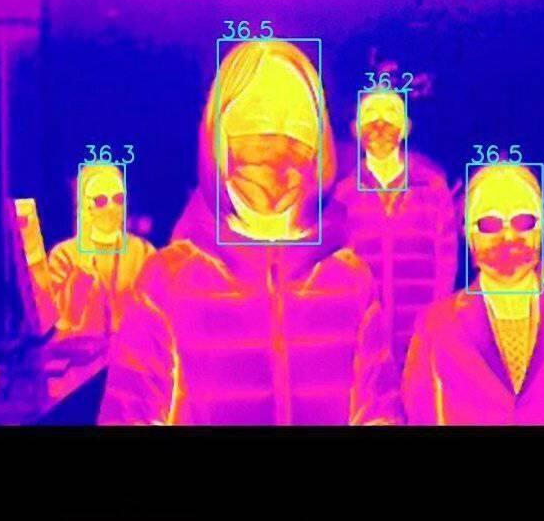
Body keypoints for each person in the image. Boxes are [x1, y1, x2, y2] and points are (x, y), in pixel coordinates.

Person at [98, 40, 402, 425]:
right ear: (217, 133)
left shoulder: (352, 282)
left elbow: (379, 413)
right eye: (255, 119)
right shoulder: (165, 281)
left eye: (296, 124)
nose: (274, 143)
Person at [402, 164, 544, 425]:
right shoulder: (436, 326)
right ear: (469, 234)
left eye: (523, 221)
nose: (508, 235)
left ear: (541, 228)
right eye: (489, 224)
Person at [334, 90, 458, 372]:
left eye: (390, 113)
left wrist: (435, 324)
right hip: (364, 338)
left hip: (420, 334)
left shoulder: (433, 189)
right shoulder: (342, 196)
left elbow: (446, 263)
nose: (380, 124)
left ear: (405, 128)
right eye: (370, 115)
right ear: (355, 129)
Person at [48, 164, 155, 337]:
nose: (111, 207)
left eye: (118, 199)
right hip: (79, 352)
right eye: (101, 201)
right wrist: (83, 269)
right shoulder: (63, 256)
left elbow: (158, 320)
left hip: (132, 353)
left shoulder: (144, 252)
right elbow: (59, 326)